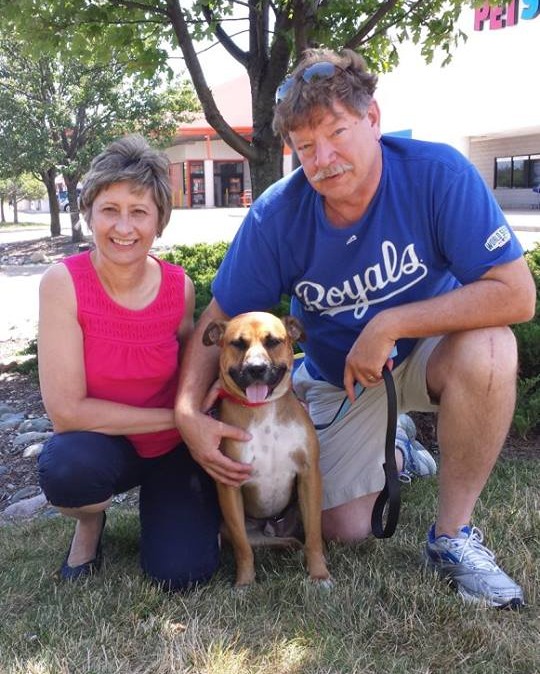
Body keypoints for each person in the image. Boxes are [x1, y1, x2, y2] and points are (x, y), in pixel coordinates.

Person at [175, 48, 536, 608]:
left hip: (432, 350)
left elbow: (516, 294)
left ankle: (452, 536)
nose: (323, 158)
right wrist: (186, 412)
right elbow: (220, 317)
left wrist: (391, 323)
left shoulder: (437, 174)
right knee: (345, 528)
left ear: (372, 119)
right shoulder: (278, 214)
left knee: (492, 347)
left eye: (337, 132)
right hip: (341, 374)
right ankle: (398, 444)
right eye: (305, 145)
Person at [38, 135, 220, 590]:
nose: (124, 227)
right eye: (109, 209)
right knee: (66, 470)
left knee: (183, 574)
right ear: (89, 214)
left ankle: (171, 511)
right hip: (102, 445)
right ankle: (89, 522)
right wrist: (179, 418)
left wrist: (207, 406)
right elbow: (66, 411)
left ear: (159, 220)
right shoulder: (63, 284)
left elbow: (191, 366)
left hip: (172, 448)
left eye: (139, 211)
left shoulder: (179, 287)